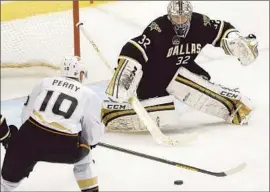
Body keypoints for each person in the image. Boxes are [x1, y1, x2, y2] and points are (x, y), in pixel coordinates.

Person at [101, 0, 258, 132]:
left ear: (190, 16)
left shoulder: (200, 24)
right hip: (153, 76)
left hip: (179, 67)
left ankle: (231, 107)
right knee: (166, 110)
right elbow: (135, 46)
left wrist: (234, 38)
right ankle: (233, 107)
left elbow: (222, 28)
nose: (180, 22)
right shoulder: (159, 28)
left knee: (201, 78)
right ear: (170, 17)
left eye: (184, 18)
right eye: (176, 18)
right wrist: (127, 66)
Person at [0, 56, 105, 192]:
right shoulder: (89, 94)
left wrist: (21, 142)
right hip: (64, 146)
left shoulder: (44, 83)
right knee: (85, 157)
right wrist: (88, 142)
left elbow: (26, 114)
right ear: (80, 73)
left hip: (29, 139)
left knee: (6, 183)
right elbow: (92, 135)